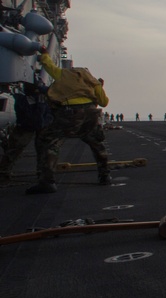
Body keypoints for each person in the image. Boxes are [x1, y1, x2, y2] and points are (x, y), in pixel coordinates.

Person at [26, 48, 112, 194]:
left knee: (48, 141)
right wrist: (98, 88)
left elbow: (48, 66)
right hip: (91, 115)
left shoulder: (63, 74)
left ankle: (47, 181)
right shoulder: (92, 81)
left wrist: (45, 53)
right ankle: (105, 176)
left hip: (68, 114)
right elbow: (104, 103)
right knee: (98, 144)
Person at [0, 82, 52, 186]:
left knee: (16, 150)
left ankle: (4, 175)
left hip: (35, 124)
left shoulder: (32, 97)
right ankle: (3, 174)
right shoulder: (27, 98)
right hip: (32, 124)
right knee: (15, 150)